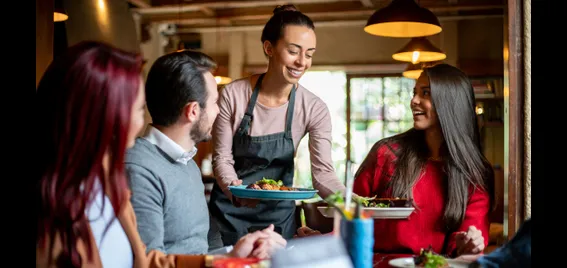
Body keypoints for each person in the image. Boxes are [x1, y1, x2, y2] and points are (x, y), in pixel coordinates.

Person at [36, 41, 280, 268]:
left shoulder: (107, 186)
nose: (140, 119)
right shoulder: (58, 211)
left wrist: (228, 258)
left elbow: (147, 260)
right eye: (137, 108)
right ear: (103, 118)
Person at [125, 50, 286, 259]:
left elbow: (209, 243)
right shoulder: (138, 169)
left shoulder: (187, 164)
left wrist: (245, 254)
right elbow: (148, 262)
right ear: (193, 111)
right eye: (214, 103)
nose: (218, 111)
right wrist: (232, 259)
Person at [209, 4, 346, 245]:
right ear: (269, 48)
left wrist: (350, 201)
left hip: (278, 221)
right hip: (228, 214)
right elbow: (221, 158)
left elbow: (323, 174)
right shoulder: (233, 95)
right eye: (294, 51)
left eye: (310, 54)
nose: (302, 62)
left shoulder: (314, 108)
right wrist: (236, 191)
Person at [351, 63, 495, 257]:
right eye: (414, 92)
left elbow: (470, 237)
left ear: (449, 102)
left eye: (425, 93)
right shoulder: (386, 153)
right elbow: (350, 210)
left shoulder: (475, 172)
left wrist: (468, 243)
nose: (414, 101)